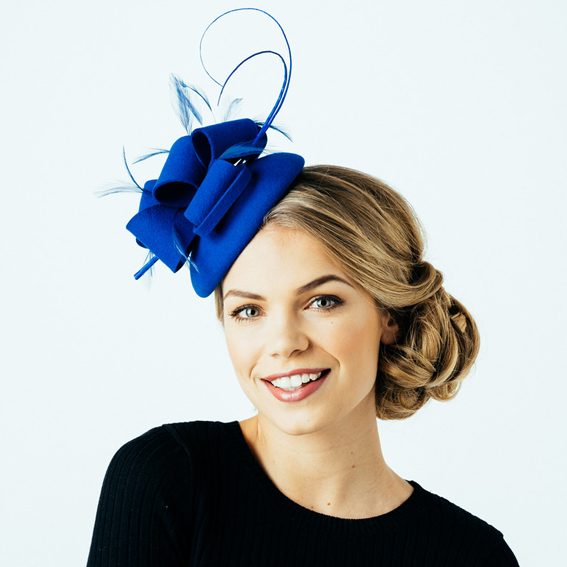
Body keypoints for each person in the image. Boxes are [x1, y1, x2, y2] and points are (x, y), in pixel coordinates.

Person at [87, 9, 519, 567]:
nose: (284, 343)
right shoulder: (168, 481)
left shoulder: (470, 556)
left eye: (322, 301)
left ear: (389, 314)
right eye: (248, 311)